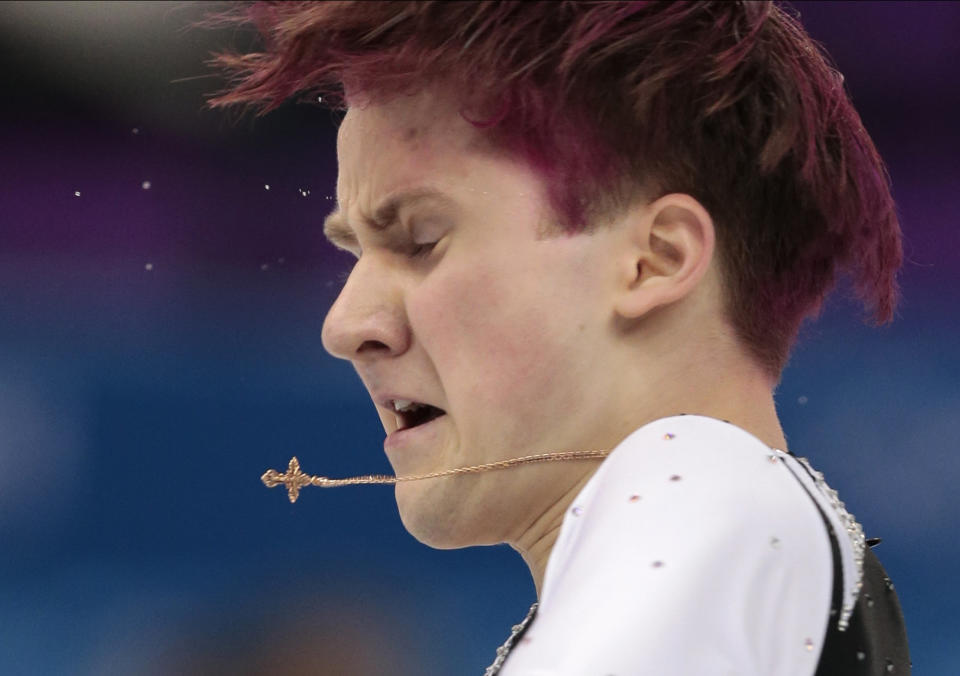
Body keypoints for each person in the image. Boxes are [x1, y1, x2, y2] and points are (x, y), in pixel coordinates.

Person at [205, 1, 910, 673]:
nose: (345, 326)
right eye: (353, 254)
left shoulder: (705, 487)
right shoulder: (773, 545)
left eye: (420, 241)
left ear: (653, 260)